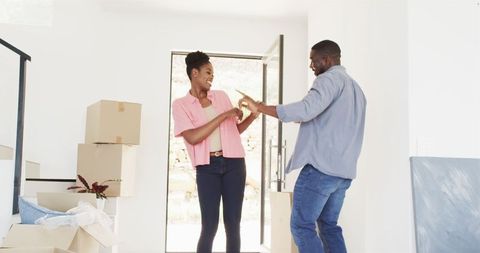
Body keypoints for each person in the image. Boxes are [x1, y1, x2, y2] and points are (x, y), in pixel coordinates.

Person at [240, 40, 366, 253]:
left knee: (301, 226)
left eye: (313, 60)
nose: (311, 65)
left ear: (326, 59)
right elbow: (318, 115)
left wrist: (259, 107)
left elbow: (306, 110)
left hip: (321, 171)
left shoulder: (328, 80)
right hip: (343, 174)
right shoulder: (356, 89)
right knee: (329, 226)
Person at [171, 51, 259, 253]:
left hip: (234, 164)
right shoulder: (181, 105)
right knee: (209, 225)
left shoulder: (221, 97)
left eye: (213, 73)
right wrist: (224, 115)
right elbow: (193, 137)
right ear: (194, 73)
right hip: (207, 167)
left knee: (233, 224)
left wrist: (253, 116)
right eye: (208, 72)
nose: (212, 77)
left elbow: (233, 131)